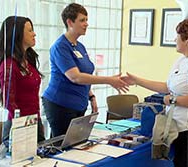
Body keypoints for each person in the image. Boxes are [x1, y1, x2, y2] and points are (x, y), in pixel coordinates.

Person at [122, 17, 188, 166]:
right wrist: (137, 81)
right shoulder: (182, 61)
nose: (174, 39)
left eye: (177, 35)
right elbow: (168, 87)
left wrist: (170, 100)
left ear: (186, 39)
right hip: (179, 128)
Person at [42, 3, 129, 138]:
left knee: (76, 143)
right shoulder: (60, 47)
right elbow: (75, 77)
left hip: (79, 103)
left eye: (86, 20)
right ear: (70, 22)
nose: (86, 24)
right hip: (61, 103)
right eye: (82, 20)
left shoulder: (80, 46)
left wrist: (91, 96)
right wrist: (109, 80)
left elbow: (85, 75)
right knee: (64, 147)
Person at [0, 16, 45, 153]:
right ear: (18, 35)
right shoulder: (8, 66)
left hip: (35, 121)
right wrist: (25, 127)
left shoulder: (29, 59)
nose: (34, 34)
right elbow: (10, 103)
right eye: (30, 30)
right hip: (19, 127)